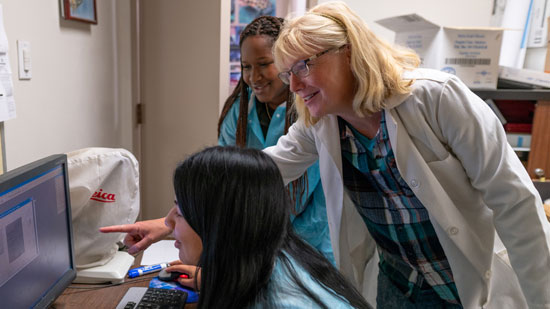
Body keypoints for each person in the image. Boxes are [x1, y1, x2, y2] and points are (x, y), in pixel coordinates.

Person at [262, 1, 550, 308]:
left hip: (469, 281)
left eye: (303, 66)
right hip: (400, 288)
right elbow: (267, 169)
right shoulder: (320, 125)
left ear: (347, 52)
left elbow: (515, 203)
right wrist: (208, 173)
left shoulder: (437, 99)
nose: (293, 85)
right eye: (287, 74)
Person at [120, 146, 373, 308]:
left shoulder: (284, 303)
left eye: (182, 212)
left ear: (222, 222)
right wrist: (219, 279)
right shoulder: (278, 261)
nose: (169, 222)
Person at [219, 15, 334, 263]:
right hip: (250, 242)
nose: (254, 77)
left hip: (310, 247)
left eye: (264, 64)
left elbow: (324, 204)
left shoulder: (313, 112)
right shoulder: (238, 113)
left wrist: (282, 246)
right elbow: (225, 176)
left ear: (285, 61)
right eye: (246, 66)